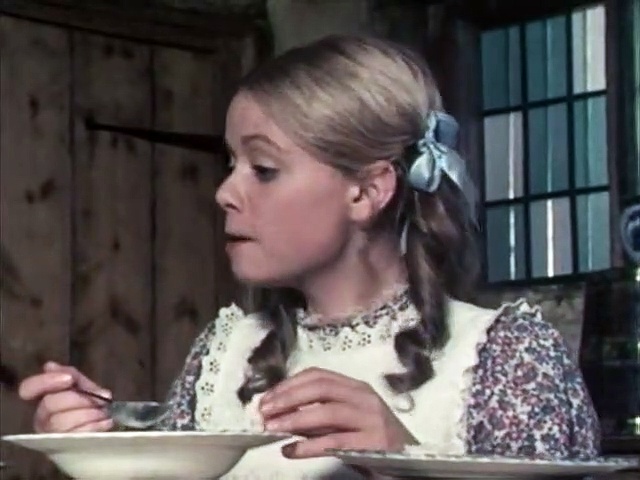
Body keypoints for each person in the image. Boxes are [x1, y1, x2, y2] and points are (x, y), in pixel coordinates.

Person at [18, 34, 600, 479]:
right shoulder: (227, 352)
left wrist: (403, 463)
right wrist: (96, 449)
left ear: (367, 191)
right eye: (231, 164)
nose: (224, 192)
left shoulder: (505, 357)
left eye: (263, 169)